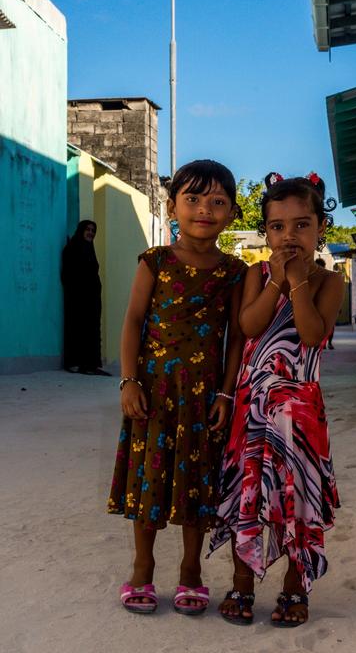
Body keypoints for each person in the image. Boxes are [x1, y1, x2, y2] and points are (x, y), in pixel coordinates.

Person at [108, 159, 248, 615]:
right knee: (147, 479)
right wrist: (128, 381)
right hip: (153, 390)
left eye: (217, 202)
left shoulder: (234, 272)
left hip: (203, 396)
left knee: (197, 484)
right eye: (193, 199)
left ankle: (192, 572)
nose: (203, 209)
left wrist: (226, 393)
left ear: (231, 213)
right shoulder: (156, 261)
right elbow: (132, 321)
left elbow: (235, 340)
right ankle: (142, 570)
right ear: (172, 206)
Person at [208, 172, 344, 626]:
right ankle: (242, 583)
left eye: (302, 225)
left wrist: (300, 282)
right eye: (278, 226)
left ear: (320, 228)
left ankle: (294, 587)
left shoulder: (329, 282)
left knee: (297, 501)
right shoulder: (254, 275)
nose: (290, 236)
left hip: (300, 414)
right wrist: (277, 284)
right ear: (265, 231)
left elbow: (310, 334)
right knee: (249, 495)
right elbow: (249, 326)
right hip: (252, 409)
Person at [61, 220, 110, 375]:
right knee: (76, 327)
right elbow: (67, 274)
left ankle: (90, 364)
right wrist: (75, 292)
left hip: (92, 298)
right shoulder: (71, 249)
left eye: (93, 230)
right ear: (81, 230)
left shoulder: (90, 249)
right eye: (88, 229)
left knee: (92, 329)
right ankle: (73, 362)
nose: (90, 233)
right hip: (77, 297)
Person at [315, 257, 335, 349]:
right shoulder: (311, 277)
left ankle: (328, 343)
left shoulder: (327, 277)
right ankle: (322, 343)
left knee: (329, 327)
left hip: (326, 305)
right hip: (317, 306)